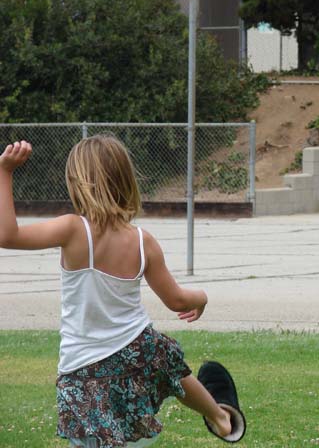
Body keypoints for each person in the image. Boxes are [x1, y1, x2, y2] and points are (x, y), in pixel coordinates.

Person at [0, 135, 234, 447]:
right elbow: (177, 299)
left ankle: (218, 415)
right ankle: (220, 417)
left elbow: (7, 235)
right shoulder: (143, 241)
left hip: (84, 367)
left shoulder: (73, 229)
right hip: (136, 349)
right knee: (168, 363)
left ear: (79, 183)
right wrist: (201, 297)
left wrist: (5, 172)